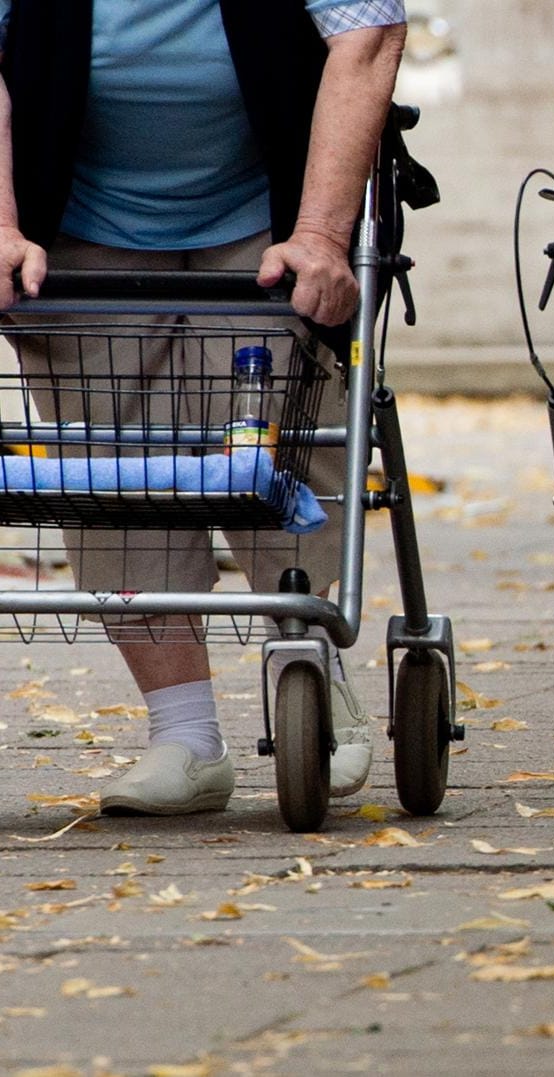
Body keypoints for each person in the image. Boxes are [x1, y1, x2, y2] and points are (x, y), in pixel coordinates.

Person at [0, 0, 409, 814]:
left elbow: (367, 36)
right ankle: (184, 737)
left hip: (269, 214)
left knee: (276, 453)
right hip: (80, 220)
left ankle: (310, 674)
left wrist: (324, 236)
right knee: (112, 477)